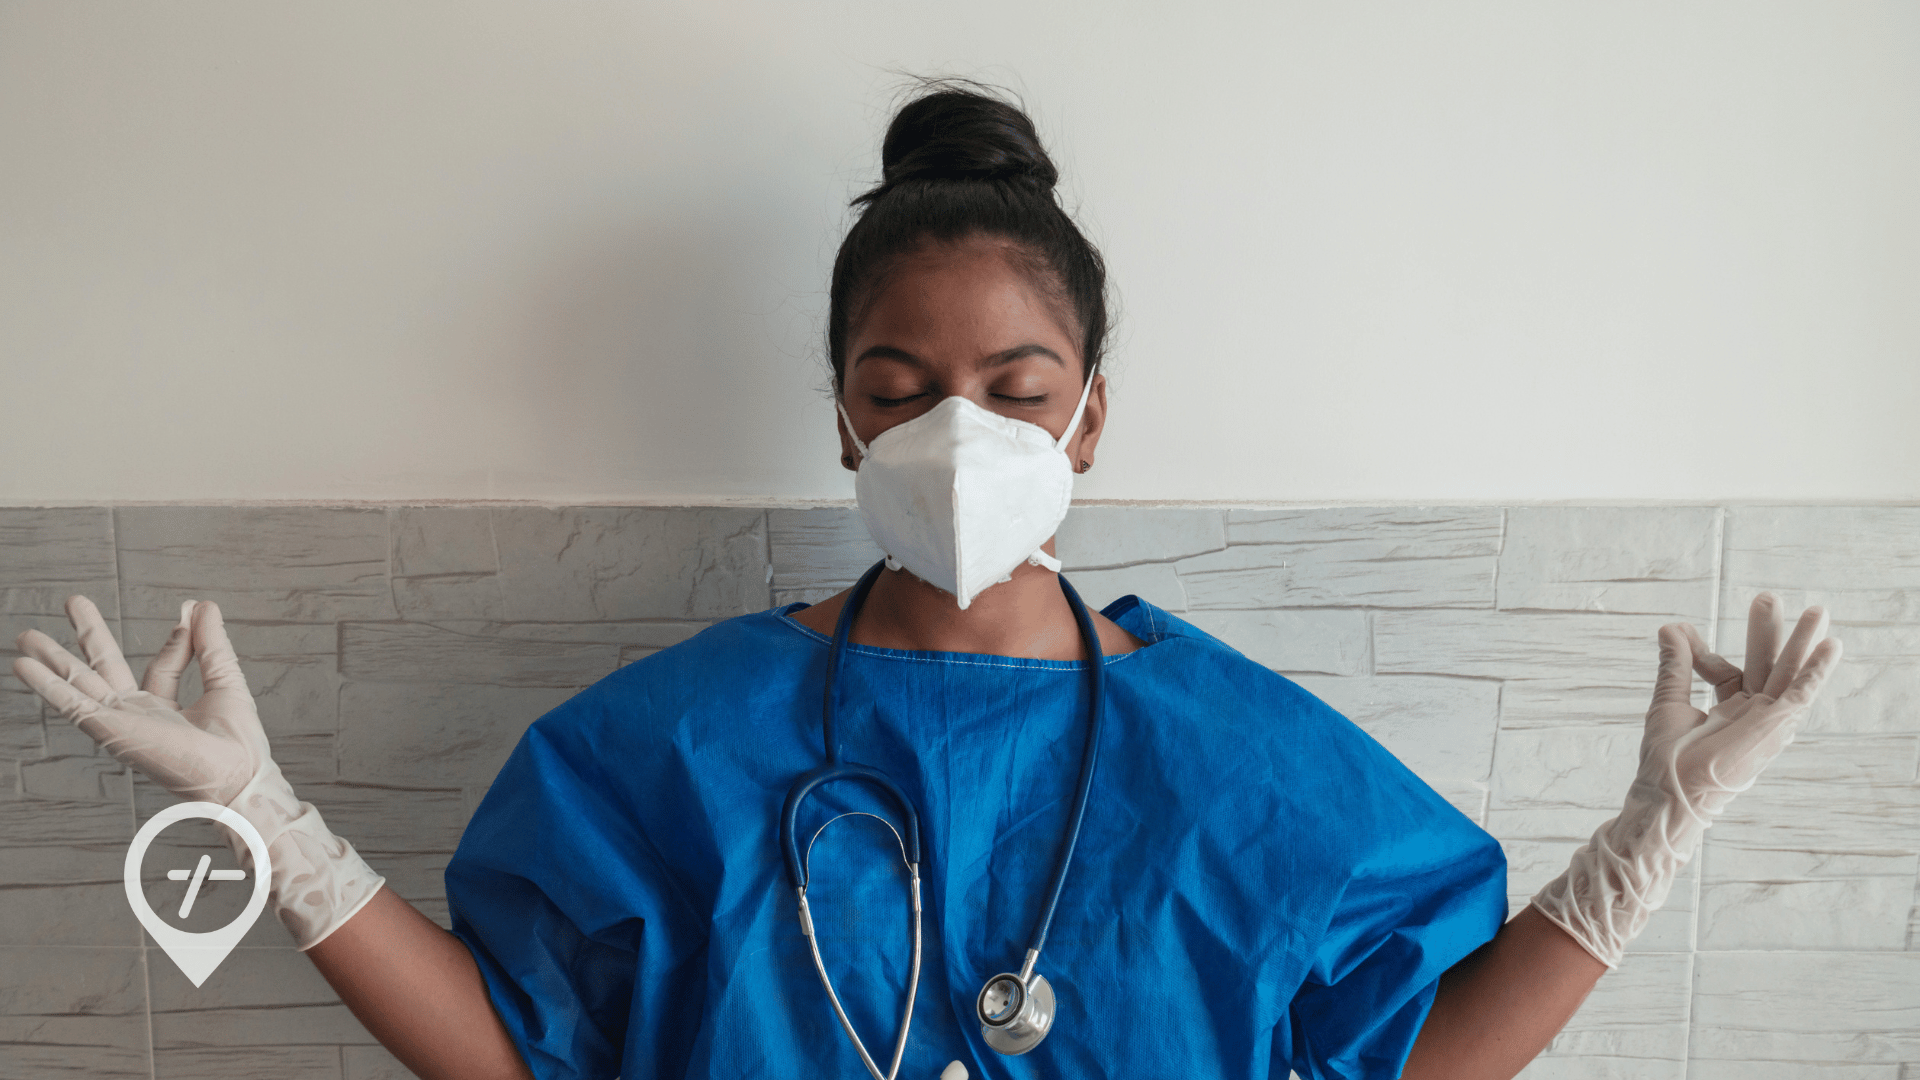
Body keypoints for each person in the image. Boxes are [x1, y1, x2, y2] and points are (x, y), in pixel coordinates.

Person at [11, 82, 1842, 1080]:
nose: (957, 432)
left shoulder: (1240, 763)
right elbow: (509, 1060)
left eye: (1015, 392)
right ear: (840, 419)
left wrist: (1643, 845)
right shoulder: (670, 750)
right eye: (900, 391)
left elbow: (1410, 1069)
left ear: (1092, 420)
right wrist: (269, 822)